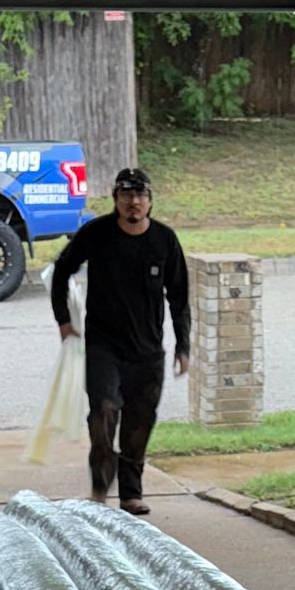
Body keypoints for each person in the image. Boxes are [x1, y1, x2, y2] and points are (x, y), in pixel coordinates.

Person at [49, 166, 190, 517]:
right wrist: (64, 321)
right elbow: (62, 270)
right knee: (104, 411)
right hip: (103, 347)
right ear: (116, 199)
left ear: (150, 201)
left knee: (139, 423)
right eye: (126, 195)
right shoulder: (97, 234)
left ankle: (131, 493)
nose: (133, 202)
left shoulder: (164, 240)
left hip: (148, 351)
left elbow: (179, 296)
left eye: (140, 195)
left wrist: (183, 345)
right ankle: (100, 487)